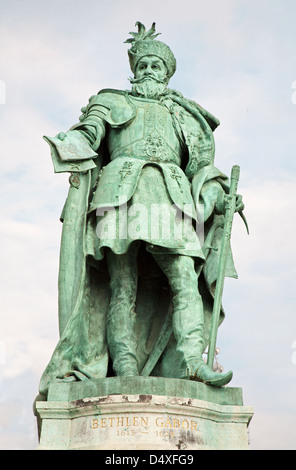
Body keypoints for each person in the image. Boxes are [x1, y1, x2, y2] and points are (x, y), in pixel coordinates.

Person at [39, 22, 244, 398]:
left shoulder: (186, 116)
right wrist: (71, 142)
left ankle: (190, 361)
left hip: (173, 196)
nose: (148, 71)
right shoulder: (111, 100)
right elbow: (89, 133)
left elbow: (200, 165)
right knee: (122, 284)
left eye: (156, 66)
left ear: (167, 73)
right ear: (134, 71)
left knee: (184, 275)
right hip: (118, 193)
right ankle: (126, 368)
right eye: (143, 65)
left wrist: (219, 192)